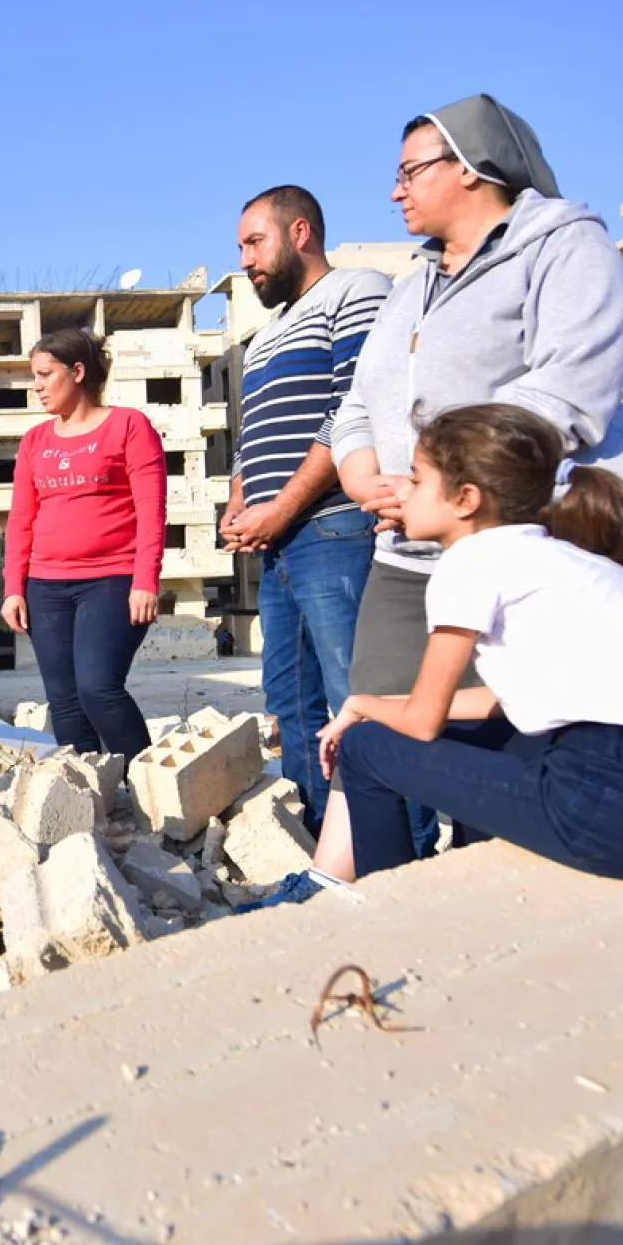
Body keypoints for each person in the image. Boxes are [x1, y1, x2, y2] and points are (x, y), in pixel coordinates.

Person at [318, 93, 623, 873]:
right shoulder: (410, 285)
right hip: (413, 544)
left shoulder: (564, 246)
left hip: (541, 536)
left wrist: (433, 476)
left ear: (475, 169)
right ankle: (337, 892)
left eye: (411, 170)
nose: (394, 190)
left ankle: (488, 909)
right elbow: (357, 402)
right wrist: (362, 474)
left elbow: (569, 396)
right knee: (369, 724)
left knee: (513, 741)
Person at [294, 404, 623, 886]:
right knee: (468, 735)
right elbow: (510, 701)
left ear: (465, 499)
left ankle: (391, 907)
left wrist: (362, 706)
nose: (401, 490)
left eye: (416, 478)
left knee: (366, 747)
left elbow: (422, 723)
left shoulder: (469, 562)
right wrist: (381, 703)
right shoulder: (564, 556)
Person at [220, 185, 391, 832]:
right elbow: (254, 436)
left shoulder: (358, 291)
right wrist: (239, 502)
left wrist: (283, 506)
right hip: (278, 546)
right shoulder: (263, 341)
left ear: (300, 232)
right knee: (291, 708)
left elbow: (352, 410)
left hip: (333, 526)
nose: (245, 260)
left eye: (254, 242)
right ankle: (319, 846)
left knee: (357, 700)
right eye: (240, 247)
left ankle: (388, 849)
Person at [1, 328, 166, 759]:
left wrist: (146, 581)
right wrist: (13, 588)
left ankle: (151, 786)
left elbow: (152, 510)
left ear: (77, 372)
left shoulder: (129, 425)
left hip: (113, 578)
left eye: (44, 374)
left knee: (98, 688)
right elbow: (21, 519)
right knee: (66, 705)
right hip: (45, 585)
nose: (36, 385)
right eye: (32, 376)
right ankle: (92, 799)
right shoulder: (35, 440)